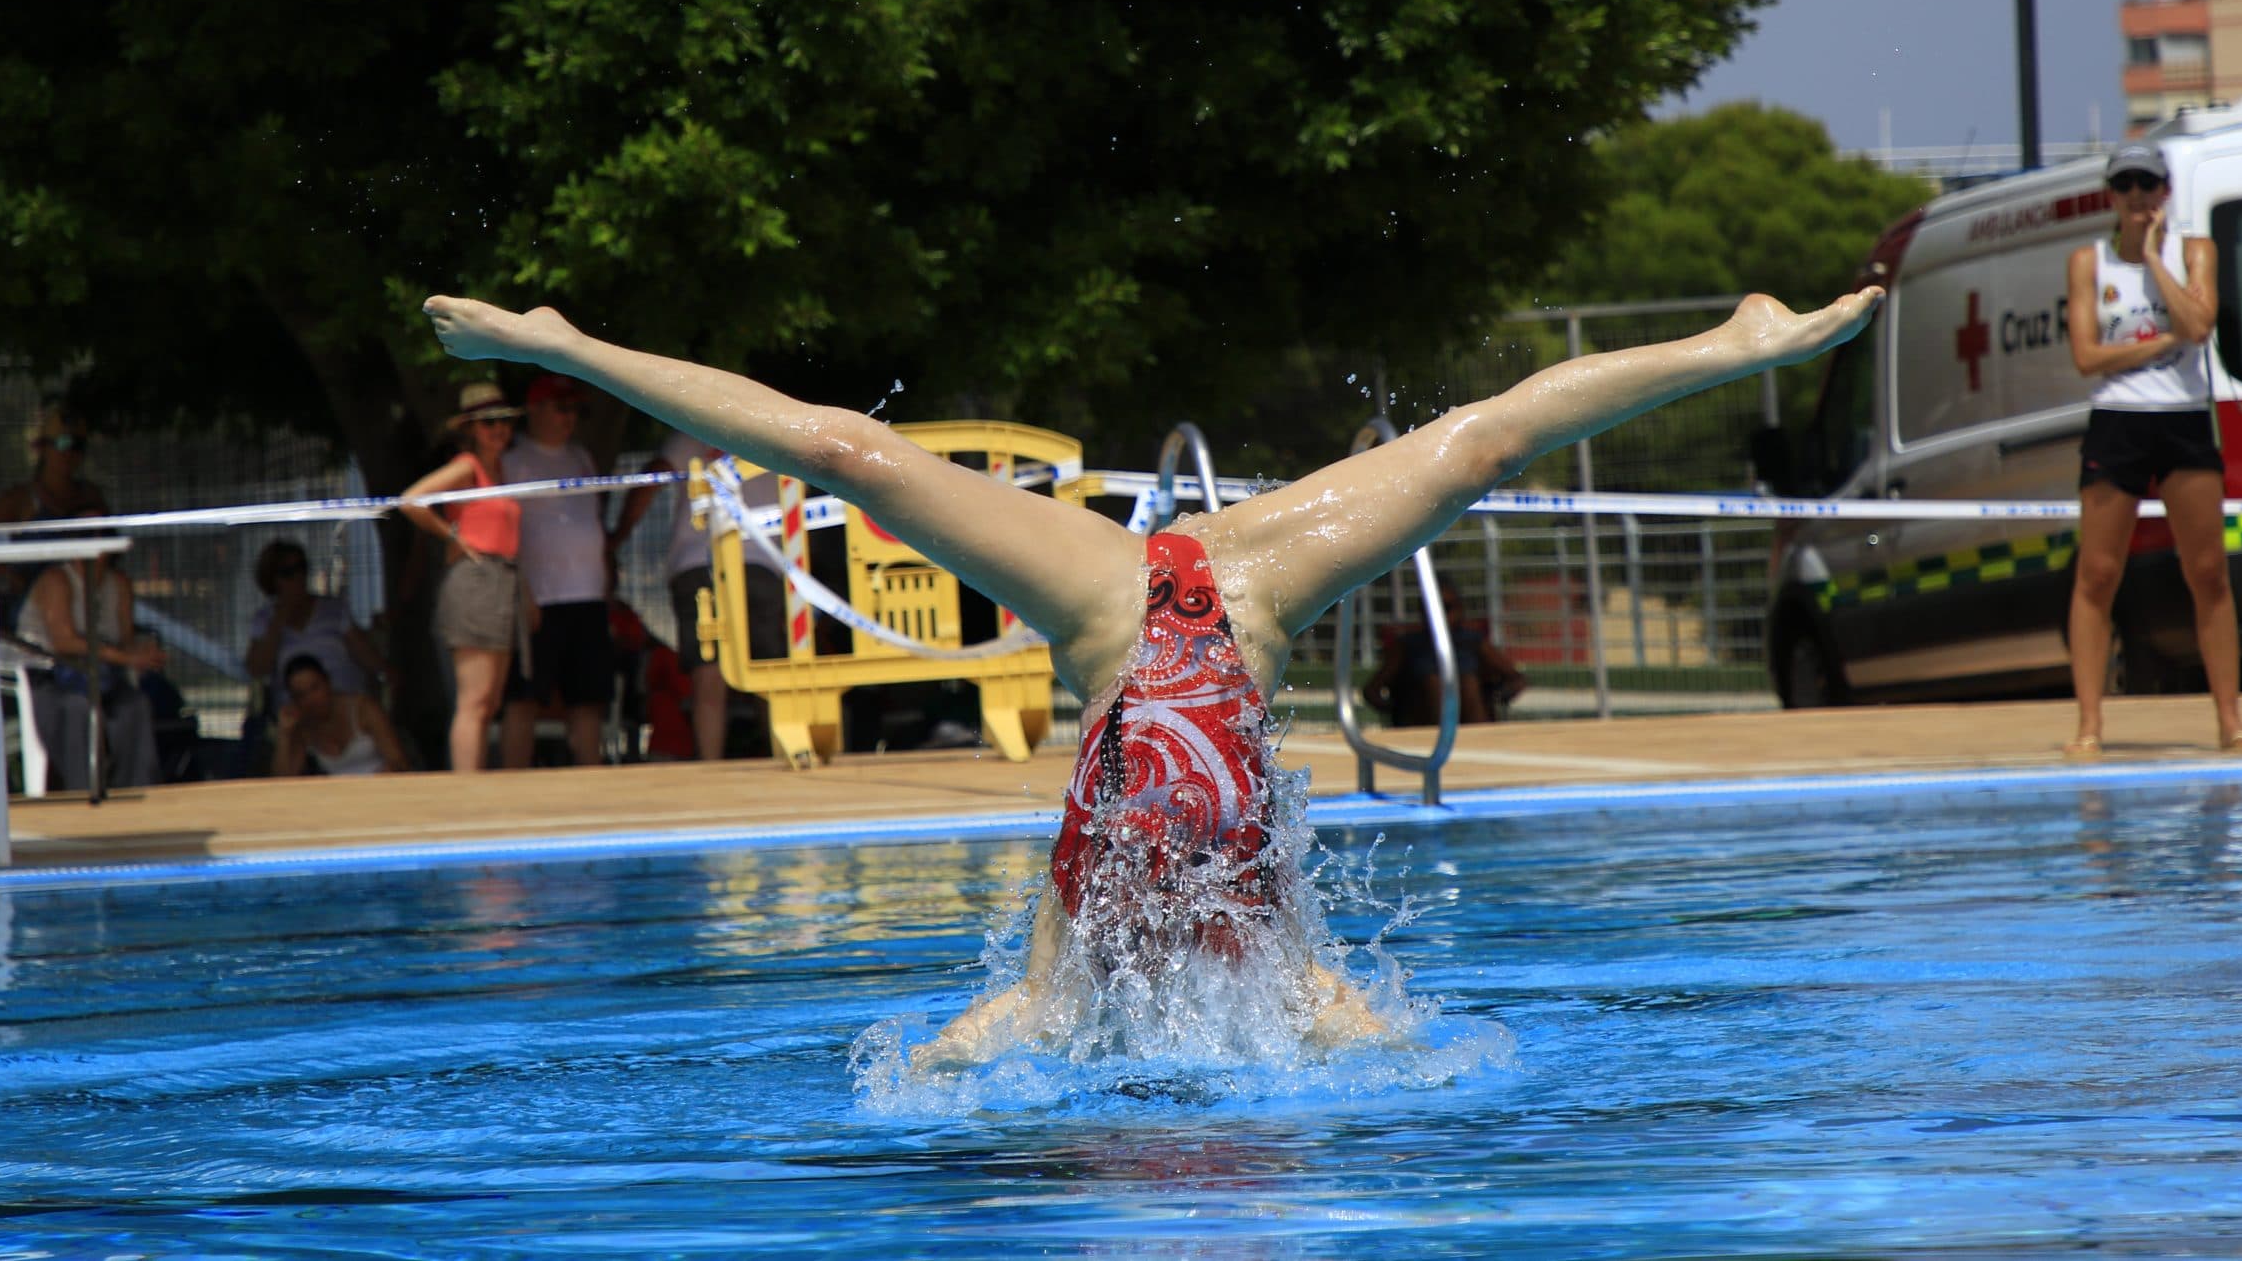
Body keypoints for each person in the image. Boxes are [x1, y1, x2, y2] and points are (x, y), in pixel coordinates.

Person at [421, 283, 1881, 1059]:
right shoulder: (1298, 994)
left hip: (1124, 604)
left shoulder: (1062, 988)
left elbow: (979, 1046)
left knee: (849, 454)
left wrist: (936, 1073)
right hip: (1226, 594)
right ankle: (1732, 337)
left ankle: (1732, 336)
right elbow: (1403, 1058)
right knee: (1475, 450)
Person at [2062, 138, 2242, 761]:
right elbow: (2087, 358)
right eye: (2125, 188)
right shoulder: (2088, 262)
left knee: (2207, 571)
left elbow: (2200, 327)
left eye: (2147, 186)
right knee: (2097, 573)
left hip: (2181, 418)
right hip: (2118, 421)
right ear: (2111, 196)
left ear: (2165, 191)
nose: (2137, 199)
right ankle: (2090, 725)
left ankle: (2229, 720)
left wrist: (2153, 260)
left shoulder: (2191, 251)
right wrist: (2159, 343)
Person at [610, 427, 790, 761]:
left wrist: (617, 536)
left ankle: (713, 766)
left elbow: (653, 477)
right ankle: (781, 756)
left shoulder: (693, 432)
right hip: (761, 562)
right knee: (769, 669)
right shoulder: (776, 433)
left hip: (699, 564)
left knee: (709, 672)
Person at [398, 382, 526, 773]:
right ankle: (466, 789)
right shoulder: (467, 465)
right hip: (475, 578)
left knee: (490, 700)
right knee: (474, 699)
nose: (498, 429)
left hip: (503, 578)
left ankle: (476, 781)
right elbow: (412, 499)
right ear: (470, 428)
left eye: (503, 421)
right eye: (488, 422)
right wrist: (451, 534)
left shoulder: (502, 469)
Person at [499, 376, 617, 767]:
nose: (569, 418)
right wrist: (523, 594)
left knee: (588, 698)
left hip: (588, 596)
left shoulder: (582, 457)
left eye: (574, 410)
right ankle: (514, 785)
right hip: (541, 599)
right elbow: (505, 534)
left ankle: (591, 779)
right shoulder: (512, 461)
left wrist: (606, 587)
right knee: (525, 697)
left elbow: (593, 521)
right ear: (535, 409)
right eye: (560, 407)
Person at [18, 536, 165, 792]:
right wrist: (126, 658)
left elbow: (126, 640)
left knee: (136, 706)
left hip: (104, 677)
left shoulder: (118, 583)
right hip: (52, 678)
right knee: (77, 710)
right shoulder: (57, 580)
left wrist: (146, 653)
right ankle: (82, 792)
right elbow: (64, 642)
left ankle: (135, 790)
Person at [0, 402, 109, 634]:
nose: (69, 453)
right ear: (42, 448)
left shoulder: (90, 496)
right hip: (32, 612)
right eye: (62, 443)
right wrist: (3, 572)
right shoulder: (21, 499)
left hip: (84, 606)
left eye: (78, 445)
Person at [244, 538, 394, 744]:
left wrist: (388, 675)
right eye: (288, 572)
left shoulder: (334, 609)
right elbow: (257, 669)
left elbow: (369, 658)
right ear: (272, 579)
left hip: (347, 707)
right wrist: (278, 621)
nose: (298, 577)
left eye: (302, 568)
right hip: (298, 714)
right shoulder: (263, 620)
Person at [1360, 586, 1528, 727]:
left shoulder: (1474, 642)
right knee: (1434, 682)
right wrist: (1399, 708)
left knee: (1466, 682)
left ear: (1460, 610)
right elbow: (1372, 691)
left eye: (1445, 608)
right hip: (1425, 723)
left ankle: (1471, 737)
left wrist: (1497, 695)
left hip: (1472, 718)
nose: (1438, 614)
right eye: (1432, 607)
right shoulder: (1408, 646)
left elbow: (1516, 678)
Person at [270, 654, 411, 777]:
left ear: (328, 682)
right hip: (339, 799)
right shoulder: (303, 727)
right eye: (301, 695)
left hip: (381, 790)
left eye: (315, 687)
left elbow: (399, 762)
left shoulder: (363, 708)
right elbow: (283, 781)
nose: (311, 699)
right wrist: (284, 734)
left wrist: (385, 776)